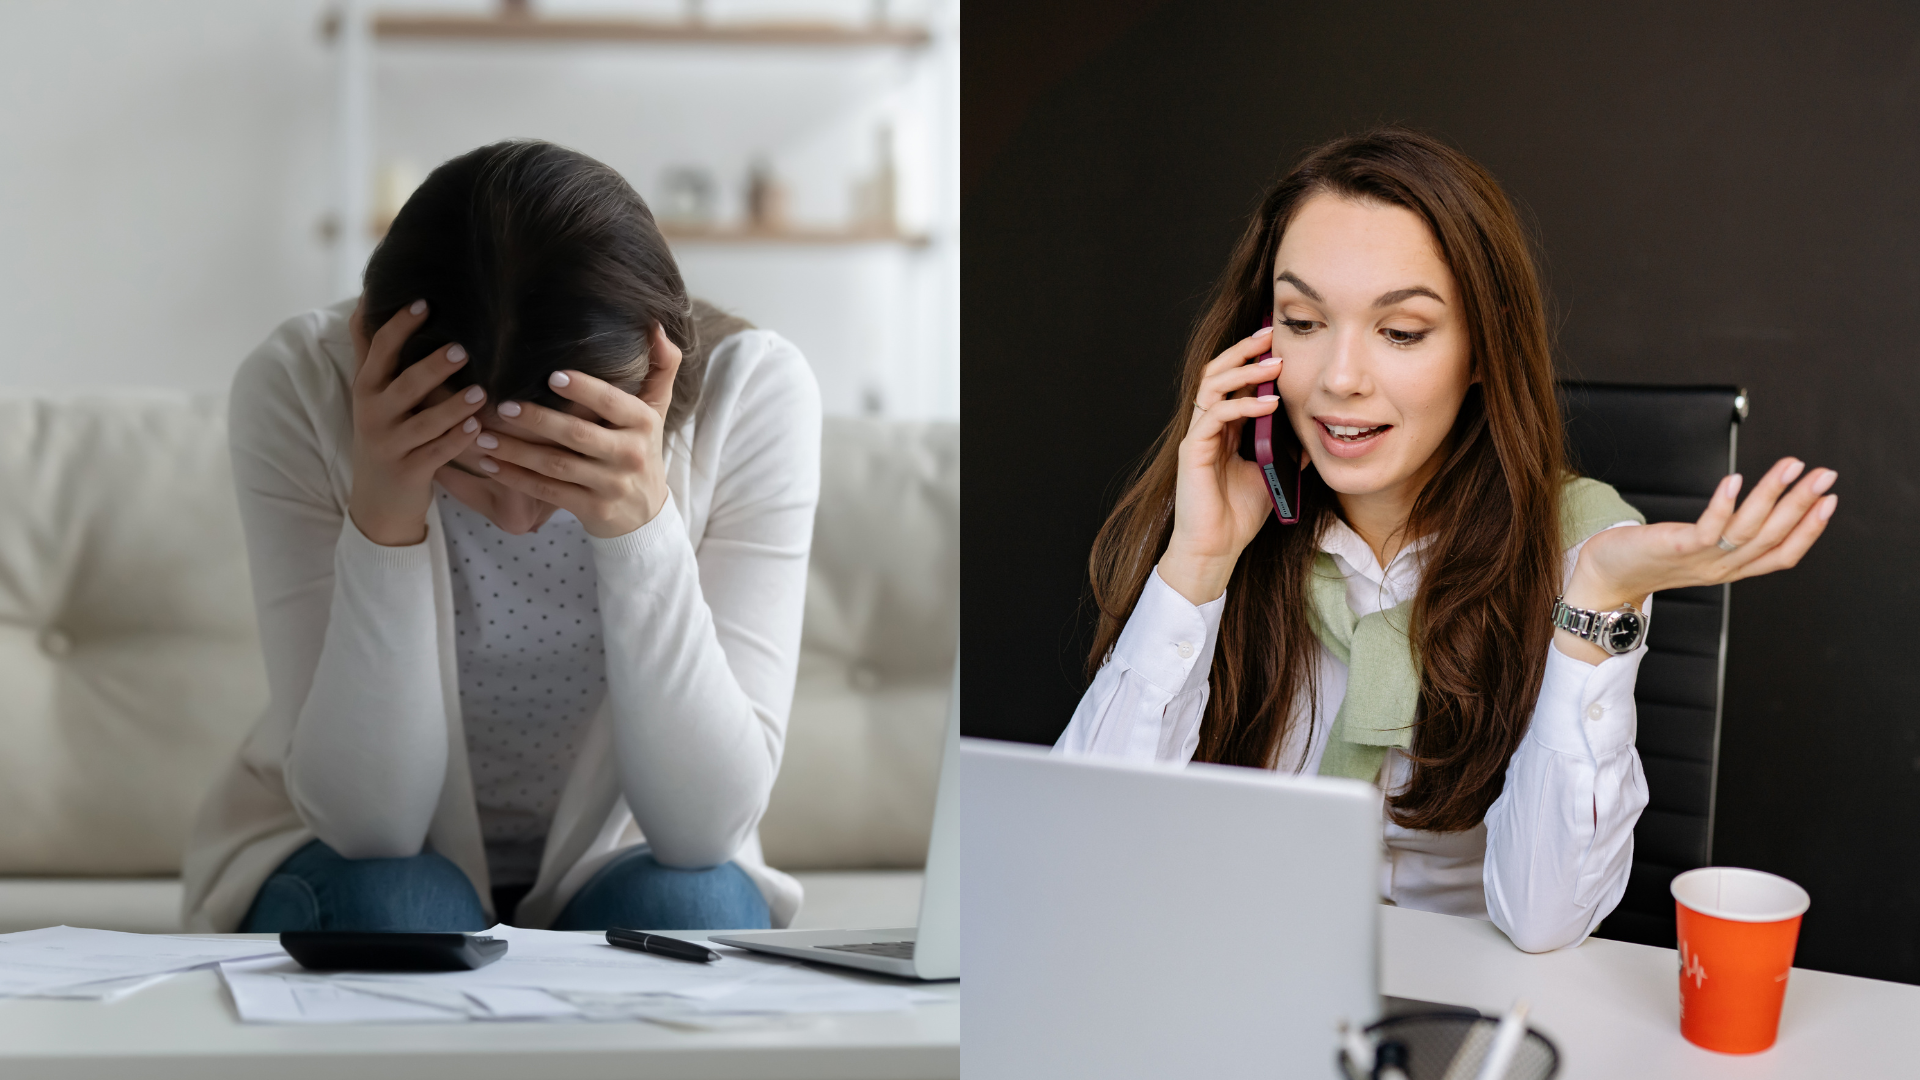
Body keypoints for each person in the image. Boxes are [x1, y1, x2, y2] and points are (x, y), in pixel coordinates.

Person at [1055, 129, 1836, 952]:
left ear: (1479, 351)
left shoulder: (1577, 549)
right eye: (1303, 320)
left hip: (1464, 1009)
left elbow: (1544, 922)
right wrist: (1198, 564)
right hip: (1242, 964)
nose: (1340, 377)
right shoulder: (1234, 509)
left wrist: (1596, 607)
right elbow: (1078, 855)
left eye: (1401, 332)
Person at [180, 140, 821, 933]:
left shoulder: (752, 392)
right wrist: (385, 515)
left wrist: (640, 529)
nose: (517, 517)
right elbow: (370, 828)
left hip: (633, 856)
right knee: (403, 906)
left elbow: (703, 833)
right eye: (471, 472)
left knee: (695, 906)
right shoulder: (302, 390)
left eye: (563, 467)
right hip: (342, 856)